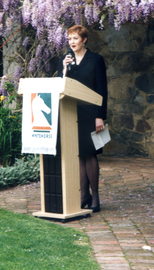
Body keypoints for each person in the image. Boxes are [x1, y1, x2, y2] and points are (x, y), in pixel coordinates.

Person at [58, 25, 107, 212]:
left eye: (75, 39)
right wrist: (64, 69)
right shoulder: (66, 60)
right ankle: (83, 195)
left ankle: (95, 196)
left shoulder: (96, 60)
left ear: (84, 40)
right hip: (72, 112)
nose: (72, 42)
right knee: (78, 154)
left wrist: (100, 116)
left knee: (90, 154)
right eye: (69, 39)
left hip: (91, 113)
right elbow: (61, 85)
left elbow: (102, 90)